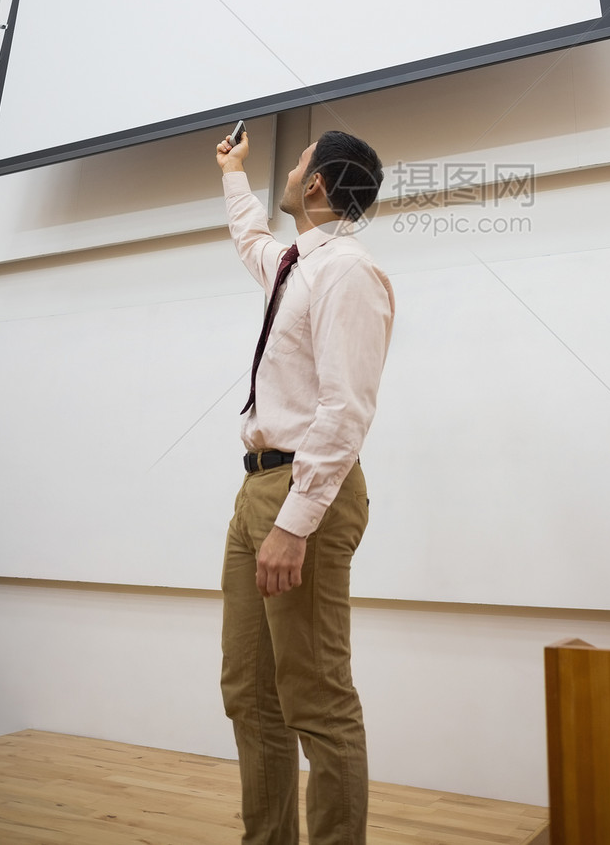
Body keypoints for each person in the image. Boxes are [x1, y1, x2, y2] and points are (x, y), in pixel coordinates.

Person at [215, 126, 395, 845]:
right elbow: (248, 238)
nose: (288, 172)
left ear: (316, 184)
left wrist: (294, 522)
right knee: (251, 696)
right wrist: (233, 172)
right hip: (256, 490)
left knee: (316, 701)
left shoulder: (346, 271)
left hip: (305, 493)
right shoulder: (294, 265)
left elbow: (345, 410)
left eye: (295, 164)